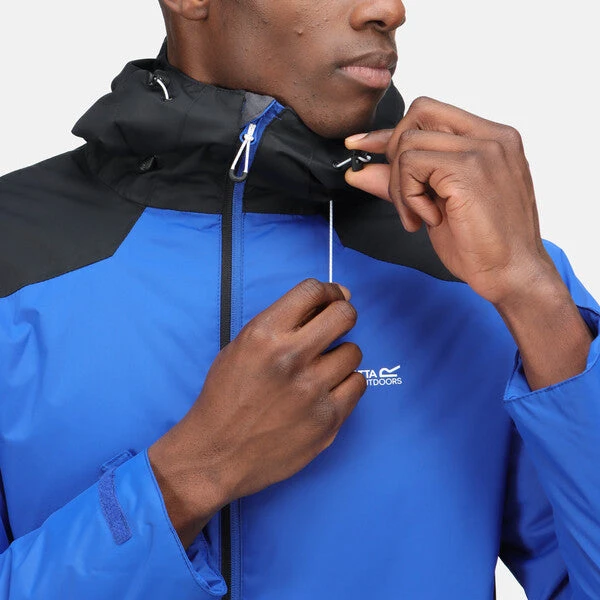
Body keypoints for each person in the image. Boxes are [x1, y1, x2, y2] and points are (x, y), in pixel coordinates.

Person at [0, 0, 599, 598]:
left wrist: (534, 296)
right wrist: (192, 476)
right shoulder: (13, 251)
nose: (390, 10)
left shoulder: (483, 266)